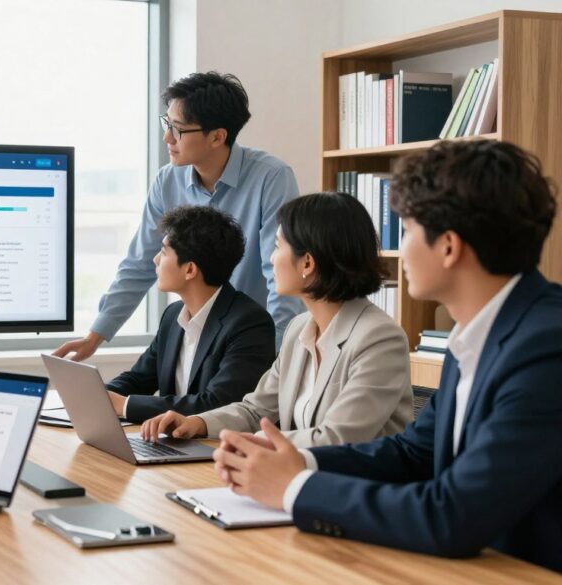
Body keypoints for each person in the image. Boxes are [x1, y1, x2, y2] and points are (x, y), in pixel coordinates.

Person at [213, 140, 562, 572]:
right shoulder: (475, 336)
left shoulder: (545, 347)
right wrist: (297, 461)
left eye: (408, 230)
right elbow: (412, 454)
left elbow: (453, 514)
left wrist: (294, 488)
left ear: (448, 247)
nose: (398, 248)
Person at [55, 72, 303, 360]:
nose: (167, 137)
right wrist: (95, 335)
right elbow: (139, 263)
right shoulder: (167, 181)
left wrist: (276, 355)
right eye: (167, 124)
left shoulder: (271, 177)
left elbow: (282, 273)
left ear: (217, 136)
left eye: (178, 130)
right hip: (196, 338)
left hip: (253, 342)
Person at [141, 192, 412, 447]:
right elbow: (255, 410)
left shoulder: (378, 337)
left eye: (277, 246)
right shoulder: (298, 329)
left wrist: (254, 443)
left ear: (307, 263)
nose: (271, 258)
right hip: (302, 472)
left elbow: (337, 437)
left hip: (353, 479)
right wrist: (197, 423)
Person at [103, 205, 274, 423]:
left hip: (216, 442)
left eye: (164, 252)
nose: (156, 259)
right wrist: (99, 395)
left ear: (190, 269)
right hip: (170, 439)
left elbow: (218, 403)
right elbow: (139, 378)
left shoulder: (249, 323)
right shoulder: (173, 315)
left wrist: (125, 406)